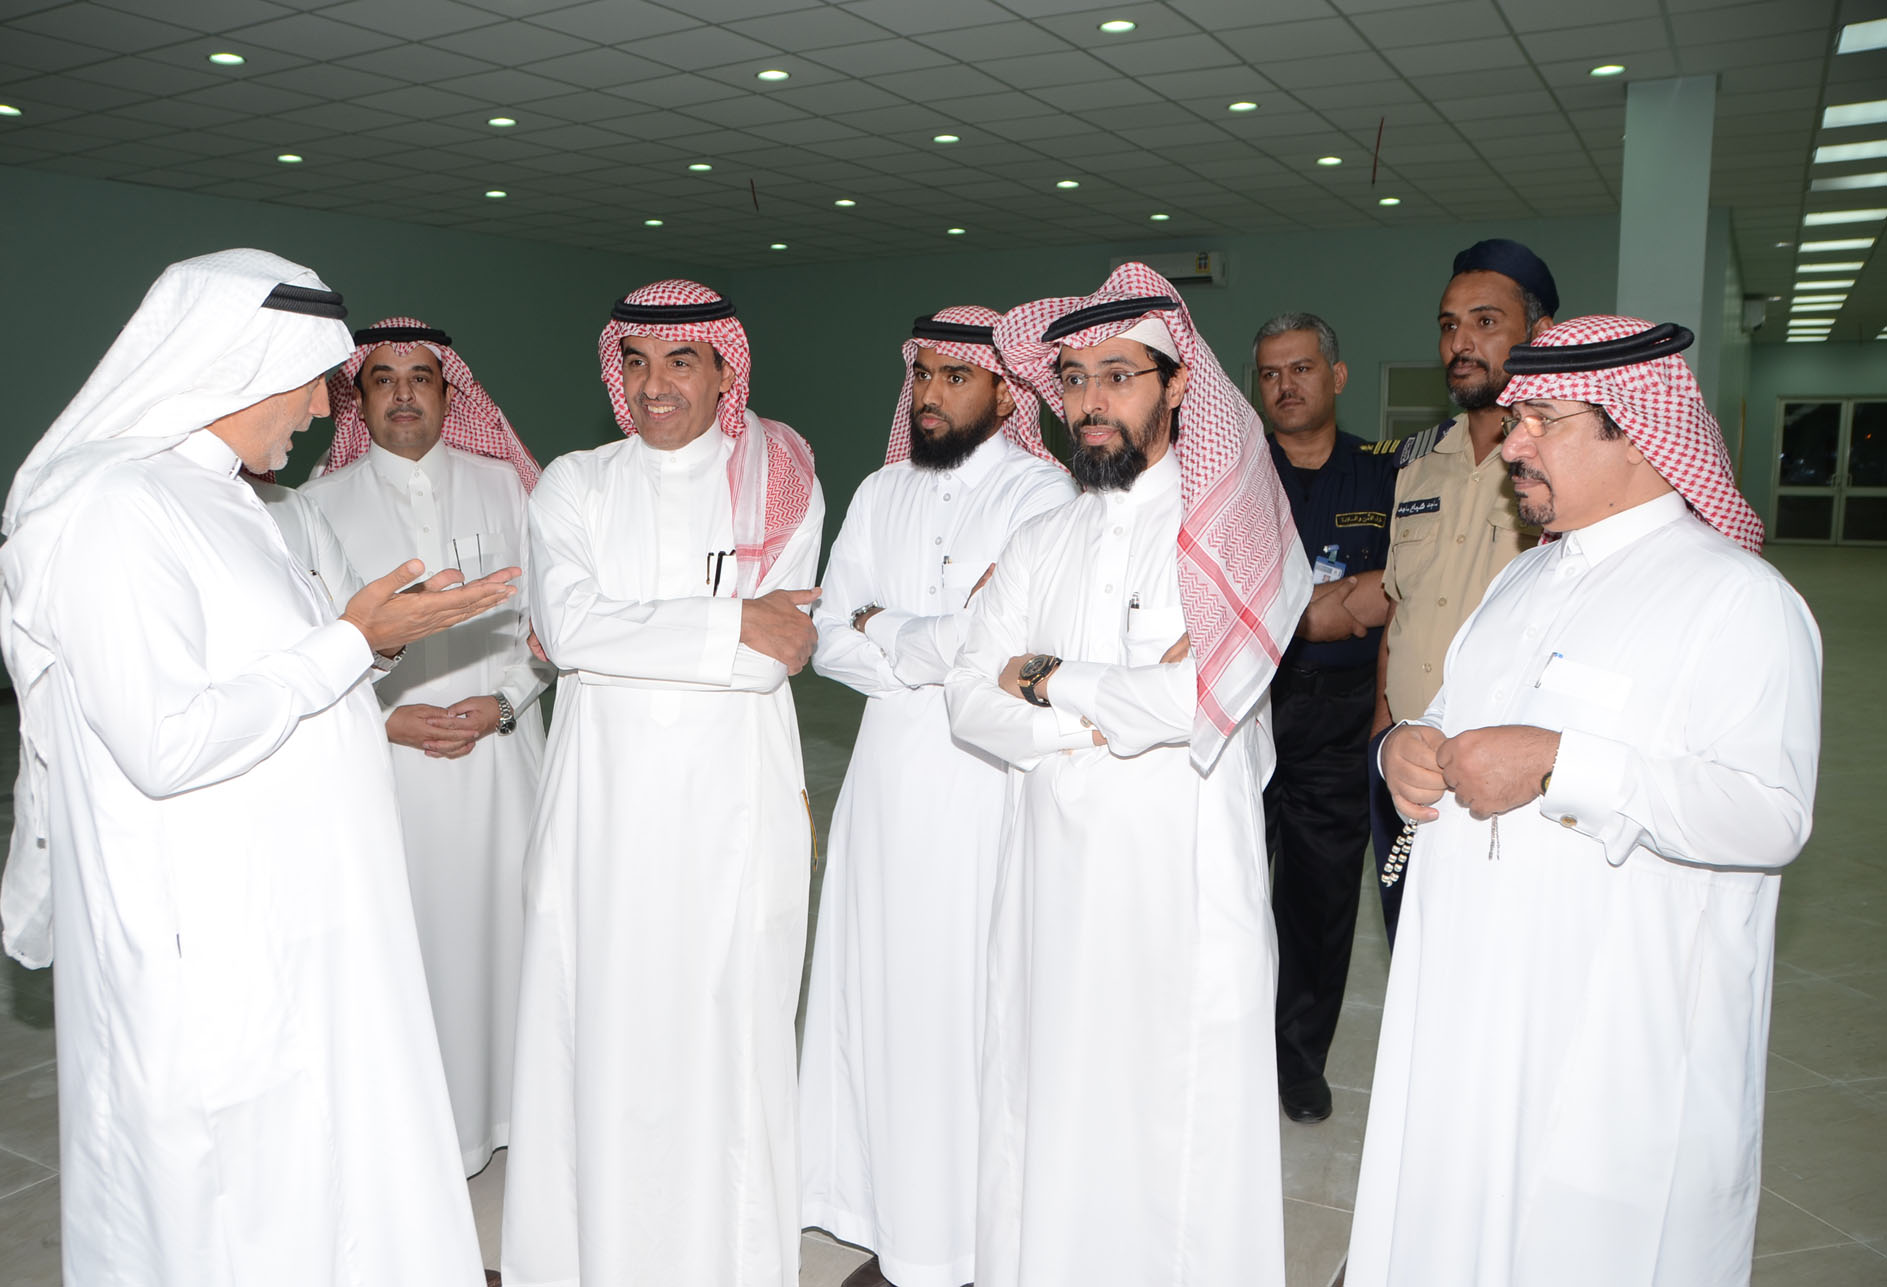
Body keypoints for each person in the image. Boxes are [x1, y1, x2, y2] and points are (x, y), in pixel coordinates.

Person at [0, 249, 518, 1287]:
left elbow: (281, 677)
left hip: (284, 910)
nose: (328, 408)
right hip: (204, 930)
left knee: (302, 1173)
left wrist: (373, 642)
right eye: (314, 380)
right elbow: (165, 742)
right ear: (240, 365)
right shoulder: (114, 509)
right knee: (219, 1195)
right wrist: (347, 642)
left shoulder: (226, 499)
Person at [1348, 317, 1821, 1287]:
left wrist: (1562, 763)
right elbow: (1447, 712)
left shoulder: (1738, 600)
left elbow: (1769, 815)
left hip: (1612, 1025)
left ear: (1637, 433)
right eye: (1515, 417)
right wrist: (1404, 749)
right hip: (1473, 997)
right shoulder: (1522, 576)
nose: (1511, 444)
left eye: (1543, 420)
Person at [947, 262, 1311, 1287]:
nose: (1090, 401)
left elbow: (1195, 702)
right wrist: (1106, 713)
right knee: (1051, 1091)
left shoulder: (1235, 530)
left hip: (1178, 880)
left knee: (1171, 1113)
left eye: (1118, 375)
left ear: (1177, 383)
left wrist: (1047, 679)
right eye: (1073, 379)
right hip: (1050, 879)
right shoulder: (1040, 538)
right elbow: (967, 699)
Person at [503, 279, 825, 1287]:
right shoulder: (573, 484)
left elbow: (775, 660)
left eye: (681, 361)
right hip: (603, 808)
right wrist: (729, 622)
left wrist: (638, 637)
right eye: (636, 363)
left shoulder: (780, 480)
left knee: (727, 1020)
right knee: (601, 1019)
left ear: (725, 370)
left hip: (733, 803)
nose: (655, 386)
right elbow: (570, 632)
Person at [800, 307, 1074, 1287]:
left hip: (985, 784)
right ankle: (895, 1221)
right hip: (886, 782)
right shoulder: (879, 492)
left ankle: (969, 1237)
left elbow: (1001, 648)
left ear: (1006, 390)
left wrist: (889, 627)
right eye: (922, 375)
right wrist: (921, 646)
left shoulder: (1043, 494)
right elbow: (825, 638)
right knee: (882, 995)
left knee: (970, 1000)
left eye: (955, 377)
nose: (929, 394)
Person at [300, 317, 552, 1177]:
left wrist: (503, 700)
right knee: (408, 947)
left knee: (511, 937)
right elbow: (306, 654)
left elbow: (546, 626)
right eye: (382, 378)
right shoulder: (316, 505)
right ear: (359, 398)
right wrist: (381, 719)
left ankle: (515, 1113)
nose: (403, 394)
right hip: (388, 775)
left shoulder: (507, 486)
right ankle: (424, 1133)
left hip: (501, 762)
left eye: (419, 377)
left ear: (450, 393)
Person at [1370, 238, 1555, 941]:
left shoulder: (1559, 469)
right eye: (1449, 325)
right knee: (1410, 952)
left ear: (1538, 333)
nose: (1460, 342)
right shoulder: (1419, 464)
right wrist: (1381, 731)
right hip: (1406, 761)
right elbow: (1400, 608)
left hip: (1500, 774)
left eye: (1485, 321)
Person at [1252, 311, 1411, 1124]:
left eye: (1302, 368)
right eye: (1270, 373)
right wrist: (1329, 605)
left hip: (1342, 714)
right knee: (1225, 887)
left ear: (1336, 376)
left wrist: (1306, 609)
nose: (1285, 385)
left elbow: (1405, 584)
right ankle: (1225, 1054)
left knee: (1317, 899)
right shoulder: (1233, 475)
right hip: (1246, 707)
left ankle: (1296, 1061)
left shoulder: (1387, 474)